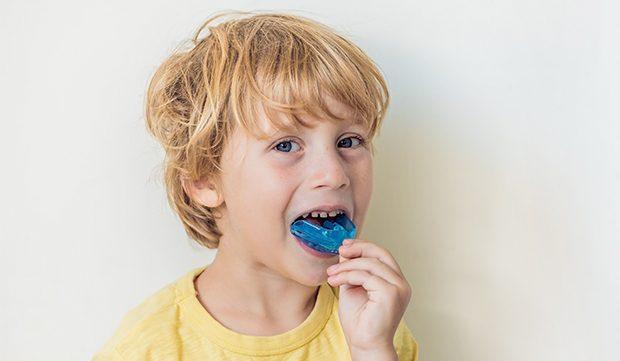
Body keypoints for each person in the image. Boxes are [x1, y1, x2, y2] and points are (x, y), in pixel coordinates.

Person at [93, 10, 419, 361]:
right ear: (204, 179)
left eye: (349, 141)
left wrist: (372, 350)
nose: (334, 174)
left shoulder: (372, 325)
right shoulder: (147, 350)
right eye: (286, 145)